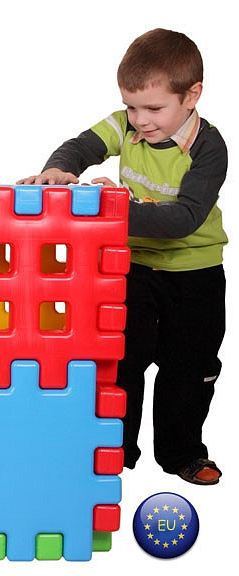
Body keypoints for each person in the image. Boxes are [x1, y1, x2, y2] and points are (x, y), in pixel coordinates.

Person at [17, 29, 227, 485]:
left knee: (189, 369)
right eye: (132, 107)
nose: (140, 120)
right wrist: (59, 169)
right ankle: (115, 449)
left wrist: (112, 208)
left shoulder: (209, 147)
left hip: (195, 274)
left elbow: (184, 219)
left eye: (154, 109)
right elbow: (81, 147)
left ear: (192, 96)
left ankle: (183, 453)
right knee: (120, 360)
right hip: (131, 270)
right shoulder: (125, 125)